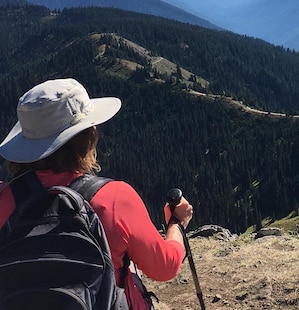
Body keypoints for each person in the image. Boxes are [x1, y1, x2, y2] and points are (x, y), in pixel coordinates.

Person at [0, 78, 193, 307]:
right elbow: (164, 266)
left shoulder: (4, 198)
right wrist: (176, 224)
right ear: (86, 140)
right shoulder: (114, 198)